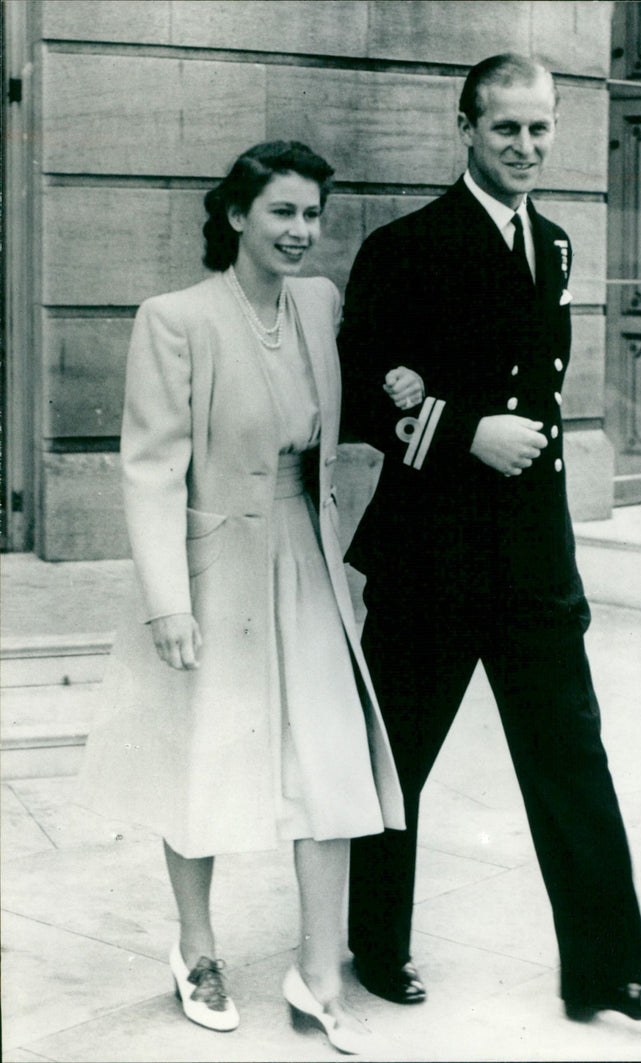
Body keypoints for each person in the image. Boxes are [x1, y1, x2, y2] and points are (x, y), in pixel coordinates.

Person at [338, 54, 641, 1023]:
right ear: (465, 128)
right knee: (396, 757)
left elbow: (535, 388)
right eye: (506, 129)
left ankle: (609, 970)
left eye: (540, 129)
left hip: (531, 559)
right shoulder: (403, 247)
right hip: (431, 557)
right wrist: (463, 432)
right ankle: (375, 944)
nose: (526, 147)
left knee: (571, 758)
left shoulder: (558, 245)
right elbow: (364, 391)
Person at [79, 140, 411, 1053]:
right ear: (236, 217)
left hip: (304, 552)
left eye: (313, 214)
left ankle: (320, 970)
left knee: (332, 764)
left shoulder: (319, 302)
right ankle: (195, 950)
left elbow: (352, 407)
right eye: (282, 213)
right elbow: (151, 469)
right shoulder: (175, 318)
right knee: (202, 760)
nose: (302, 232)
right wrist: (165, 601)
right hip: (212, 565)